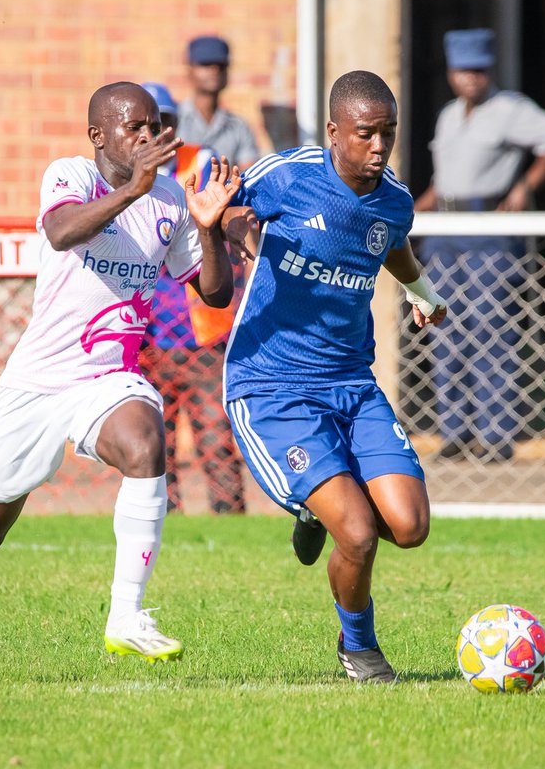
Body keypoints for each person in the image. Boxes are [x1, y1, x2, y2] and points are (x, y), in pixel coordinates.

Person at [0, 82, 240, 690]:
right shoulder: (70, 175)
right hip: (38, 383)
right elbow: (64, 233)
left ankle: (126, 613)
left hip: (107, 378)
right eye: (134, 127)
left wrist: (213, 227)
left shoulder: (171, 197)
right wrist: (132, 190)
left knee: (146, 442)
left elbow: (215, 292)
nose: (148, 136)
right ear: (98, 136)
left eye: (156, 125)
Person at [220, 70, 449, 683]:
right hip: (272, 386)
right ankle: (359, 648)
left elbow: (390, 241)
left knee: (409, 525)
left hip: (351, 381)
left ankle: (325, 504)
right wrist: (242, 233)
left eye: (389, 134)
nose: (379, 146)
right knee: (358, 532)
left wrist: (421, 290)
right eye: (366, 134)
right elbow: (227, 205)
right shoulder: (291, 174)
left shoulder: (393, 197)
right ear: (333, 133)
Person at [413, 28, 545, 462]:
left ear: (490, 70)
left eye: (479, 69)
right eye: (463, 69)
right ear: (451, 72)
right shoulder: (448, 115)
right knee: (442, 327)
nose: (471, 78)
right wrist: (412, 212)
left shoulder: (510, 109)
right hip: (445, 228)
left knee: (489, 327)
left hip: (489, 225)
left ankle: (496, 436)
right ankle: (455, 432)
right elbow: (442, 182)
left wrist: (525, 186)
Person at [138, 81, 247, 514]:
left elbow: (229, 212)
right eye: (145, 125)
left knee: (216, 437)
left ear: (175, 124)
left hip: (201, 335)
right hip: (147, 340)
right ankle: (162, 520)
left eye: (163, 122)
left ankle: (231, 521)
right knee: (152, 443)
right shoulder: (123, 178)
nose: (155, 133)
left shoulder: (197, 162)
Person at [178, 35, 261, 172]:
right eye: (206, 64)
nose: (214, 70)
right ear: (190, 69)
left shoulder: (238, 126)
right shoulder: (173, 119)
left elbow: (249, 175)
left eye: (221, 66)